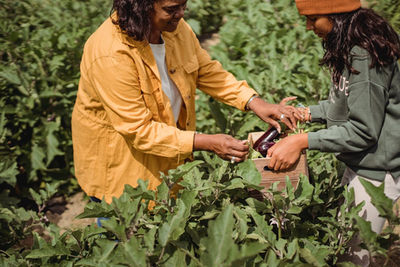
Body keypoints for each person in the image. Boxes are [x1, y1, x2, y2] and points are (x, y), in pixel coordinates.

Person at [71, 0, 301, 207]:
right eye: (171, 9)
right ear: (140, 7)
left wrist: (253, 101)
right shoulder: (111, 55)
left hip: (167, 153)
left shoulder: (173, 28)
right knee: (126, 238)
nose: (181, 14)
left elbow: (204, 70)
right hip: (123, 167)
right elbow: (139, 130)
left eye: (183, 5)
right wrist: (206, 142)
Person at [267, 0, 400, 265]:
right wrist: (306, 113)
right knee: (343, 248)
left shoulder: (364, 56)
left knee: (353, 258)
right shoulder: (351, 47)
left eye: (312, 19)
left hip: (375, 173)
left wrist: (302, 140)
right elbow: (347, 103)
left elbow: (363, 131)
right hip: (359, 163)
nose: (307, 27)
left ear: (336, 16)